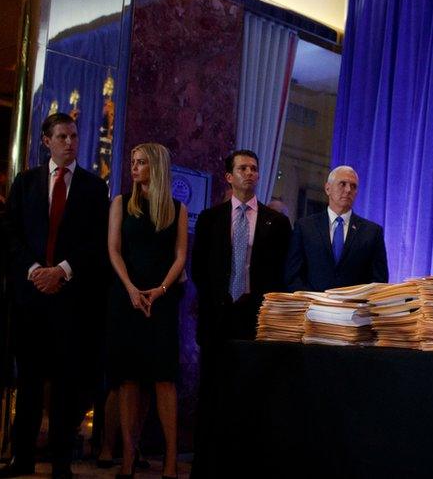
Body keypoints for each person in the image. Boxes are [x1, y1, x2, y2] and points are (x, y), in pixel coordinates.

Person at [0, 114, 109, 479]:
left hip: (71, 301)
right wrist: (35, 271)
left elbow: (96, 243)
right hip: (30, 299)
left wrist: (61, 270)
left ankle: (62, 461)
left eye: (74, 136)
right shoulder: (26, 182)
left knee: (66, 383)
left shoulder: (95, 189)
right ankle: (23, 457)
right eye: (62, 136)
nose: (70, 142)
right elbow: (10, 234)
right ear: (46, 140)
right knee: (29, 381)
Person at [189, 150, 290, 478]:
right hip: (218, 318)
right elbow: (199, 270)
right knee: (212, 395)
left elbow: (281, 274)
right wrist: (218, 300)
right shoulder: (210, 218)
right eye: (243, 168)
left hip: (256, 320)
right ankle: (206, 466)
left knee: (250, 396)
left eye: (255, 169)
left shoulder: (277, 223)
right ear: (229, 177)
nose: (250, 173)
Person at [106, 143, 187, 479]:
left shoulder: (177, 208)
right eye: (133, 162)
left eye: (141, 163)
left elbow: (181, 255)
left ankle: (170, 458)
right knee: (128, 379)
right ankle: (128, 454)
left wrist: (161, 290)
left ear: (157, 167)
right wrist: (130, 289)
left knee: (163, 379)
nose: (134, 168)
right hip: (128, 298)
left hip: (162, 301)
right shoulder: (121, 203)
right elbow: (113, 250)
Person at [285, 166, 388, 291]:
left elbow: (379, 281)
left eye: (353, 186)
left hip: (354, 309)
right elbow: (293, 275)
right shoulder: (305, 227)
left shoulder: (372, 232)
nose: (348, 190)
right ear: (328, 188)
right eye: (342, 184)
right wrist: (311, 303)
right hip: (313, 307)